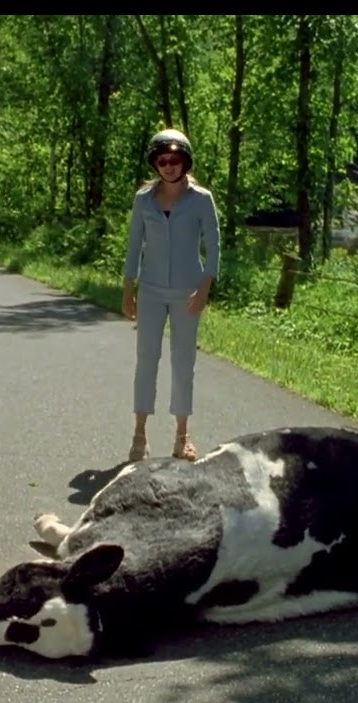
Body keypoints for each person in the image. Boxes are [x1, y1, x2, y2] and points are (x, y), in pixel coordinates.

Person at [122, 128, 221, 463]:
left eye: (175, 160)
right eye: (163, 160)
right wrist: (128, 289)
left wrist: (205, 287)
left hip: (187, 292)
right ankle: (139, 435)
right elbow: (135, 245)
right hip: (150, 290)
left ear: (185, 162)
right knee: (146, 360)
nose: (169, 166)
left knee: (183, 363)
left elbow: (215, 246)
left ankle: (182, 436)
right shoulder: (143, 200)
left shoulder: (201, 199)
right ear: (155, 163)